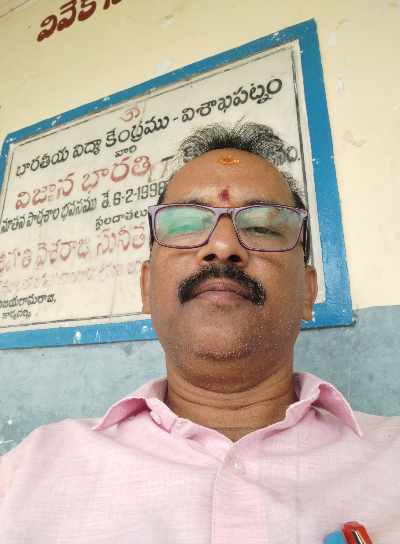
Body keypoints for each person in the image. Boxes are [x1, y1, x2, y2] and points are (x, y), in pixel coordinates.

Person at [0, 123, 399, 543]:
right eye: (186, 224)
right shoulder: (29, 472)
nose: (223, 246)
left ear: (309, 292)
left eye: (263, 227)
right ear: (146, 288)